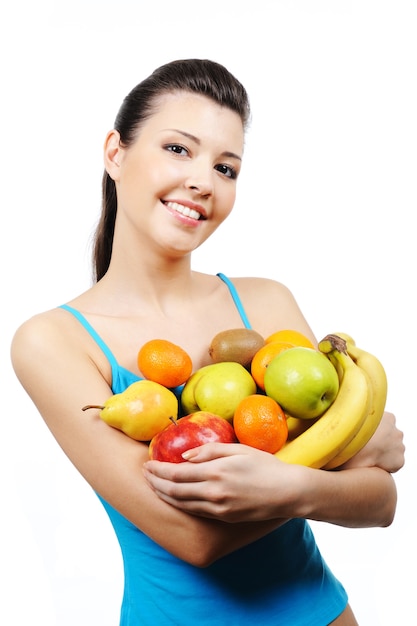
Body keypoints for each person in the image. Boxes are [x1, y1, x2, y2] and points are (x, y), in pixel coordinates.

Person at [11, 58, 405, 626]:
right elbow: (193, 537)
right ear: (115, 153)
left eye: (227, 167)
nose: (203, 180)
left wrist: (291, 483)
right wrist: (316, 478)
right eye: (178, 149)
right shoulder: (53, 341)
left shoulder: (267, 302)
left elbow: (382, 502)